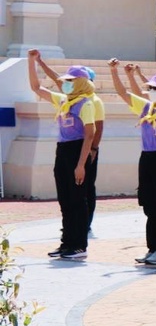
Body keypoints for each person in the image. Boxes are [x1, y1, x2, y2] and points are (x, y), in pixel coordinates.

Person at [109, 62, 156, 266]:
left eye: (155, 89)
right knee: (149, 205)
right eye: (149, 88)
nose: (150, 91)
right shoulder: (146, 107)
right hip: (147, 158)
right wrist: (115, 72)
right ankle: (152, 248)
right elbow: (122, 93)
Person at [27, 52, 95, 261]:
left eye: (71, 82)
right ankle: (67, 242)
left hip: (77, 151)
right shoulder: (64, 101)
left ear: (81, 83)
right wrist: (32, 62)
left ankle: (79, 245)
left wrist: (81, 165)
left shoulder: (86, 104)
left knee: (77, 200)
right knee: (65, 200)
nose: (66, 85)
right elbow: (37, 88)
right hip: (63, 150)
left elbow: (90, 134)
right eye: (66, 82)